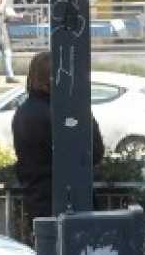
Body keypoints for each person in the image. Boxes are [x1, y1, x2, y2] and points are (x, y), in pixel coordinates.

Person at [11, 51, 105, 244]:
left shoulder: (23, 112)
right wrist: (84, 113)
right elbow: (94, 153)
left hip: (38, 202)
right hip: (66, 205)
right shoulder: (60, 115)